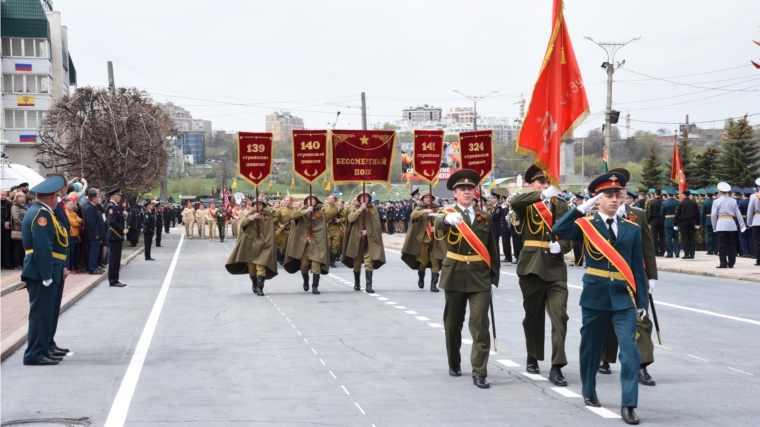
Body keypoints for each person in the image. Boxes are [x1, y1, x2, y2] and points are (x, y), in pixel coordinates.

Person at [552, 171, 648, 425]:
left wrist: (642, 303)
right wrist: (581, 207)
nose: (615, 199)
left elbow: (638, 269)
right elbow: (558, 229)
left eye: (619, 195)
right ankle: (589, 388)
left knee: (629, 352)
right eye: (609, 195)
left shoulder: (631, 229)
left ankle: (628, 404)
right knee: (591, 348)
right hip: (595, 295)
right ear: (599, 198)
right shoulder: (586, 225)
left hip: (624, 297)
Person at [434, 169, 499, 389]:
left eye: (470, 189)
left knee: (480, 325)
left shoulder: (485, 217)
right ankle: (454, 361)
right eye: (462, 189)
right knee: (453, 325)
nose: (467, 192)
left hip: (480, 276)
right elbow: (438, 228)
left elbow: (492, 250)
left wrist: (494, 280)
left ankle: (479, 371)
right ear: (455, 193)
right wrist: (446, 219)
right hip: (454, 274)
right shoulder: (449, 214)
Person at [509, 165, 572, 386]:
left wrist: (563, 247)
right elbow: (513, 203)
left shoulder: (562, 207)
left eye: (549, 183)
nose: (546, 186)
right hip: (531, 268)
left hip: (555, 270)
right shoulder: (527, 204)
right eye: (541, 183)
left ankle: (557, 366)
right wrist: (542, 196)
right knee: (533, 316)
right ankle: (533, 355)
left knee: (560, 317)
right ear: (532, 185)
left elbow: (570, 235)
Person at [599, 169, 659, 388]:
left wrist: (651, 276)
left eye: (622, 191)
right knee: (607, 319)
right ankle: (605, 358)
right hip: (608, 276)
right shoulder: (598, 215)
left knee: (641, 319)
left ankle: (642, 366)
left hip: (634, 276)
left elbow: (647, 246)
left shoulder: (637, 214)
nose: (619, 195)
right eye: (613, 192)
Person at [21, 176, 70, 366]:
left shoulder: (42, 212)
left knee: (45, 313)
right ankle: (34, 354)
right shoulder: (42, 215)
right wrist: (46, 274)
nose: (58, 200)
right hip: (41, 271)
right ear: (52, 197)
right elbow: (42, 247)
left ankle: (42, 349)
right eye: (57, 196)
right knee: (40, 314)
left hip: (46, 269)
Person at [225, 197, 277, 295]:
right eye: (256, 204)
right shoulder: (249, 215)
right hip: (250, 245)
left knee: (261, 267)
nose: (258, 206)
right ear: (253, 205)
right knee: (252, 268)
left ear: (263, 206)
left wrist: (267, 242)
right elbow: (242, 225)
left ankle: (260, 288)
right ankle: (254, 283)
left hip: (263, 245)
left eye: (260, 204)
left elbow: (270, 231)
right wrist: (253, 217)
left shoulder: (268, 216)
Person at [284, 195, 329, 294]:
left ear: (316, 201)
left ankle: (315, 286)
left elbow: (321, 227)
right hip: (304, 243)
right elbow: (294, 216)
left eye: (313, 200)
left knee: (316, 264)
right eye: (309, 200)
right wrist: (306, 211)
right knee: (304, 265)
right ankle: (306, 280)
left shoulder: (320, 212)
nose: (311, 201)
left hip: (316, 241)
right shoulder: (302, 210)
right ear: (306, 202)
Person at [342, 192, 386, 293]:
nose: (364, 198)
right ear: (359, 198)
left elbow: (376, 225)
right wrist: (360, 210)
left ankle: (369, 285)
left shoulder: (373, 208)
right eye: (362, 197)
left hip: (369, 240)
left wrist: (369, 231)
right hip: (357, 239)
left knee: (369, 262)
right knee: (357, 263)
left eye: (366, 197)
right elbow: (350, 219)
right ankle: (357, 282)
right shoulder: (354, 207)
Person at [401, 192, 445, 292]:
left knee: (435, 261)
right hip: (423, 240)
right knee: (423, 262)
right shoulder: (419, 208)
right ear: (423, 199)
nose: (428, 199)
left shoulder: (437, 209)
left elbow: (443, 220)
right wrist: (424, 211)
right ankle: (421, 277)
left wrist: (437, 228)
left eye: (430, 197)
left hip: (436, 240)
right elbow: (413, 215)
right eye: (426, 197)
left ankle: (433, 285)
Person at [712, 182, 746, 268]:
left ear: (719, 191)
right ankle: (731, 263)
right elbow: (738, 214)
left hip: (721, 224)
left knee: (722, 245)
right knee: (731, 244)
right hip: (731, 224)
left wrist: (714, 227)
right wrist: (742, 226)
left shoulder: (716, 201)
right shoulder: (733, 200)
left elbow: (713, 216)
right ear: (727, 192)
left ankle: (723, 263)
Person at [105, 187, 127, 287]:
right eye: (119, 195)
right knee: (114, 259)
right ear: (114, 196)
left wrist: (123, 214)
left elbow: (116, 219)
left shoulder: (115, 206)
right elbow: (112, 221)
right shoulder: (111, 207)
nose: (120, 197)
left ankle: (115, 279)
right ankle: (113, 280)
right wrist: (122, 230)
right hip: (114, 235)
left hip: (116, 236)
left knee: (116, 259)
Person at [82, 190, 105, 275]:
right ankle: (92, 268)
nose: (99, 198)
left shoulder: (92, 207)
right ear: (94, 198)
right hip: (93, 234)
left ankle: (92, 266)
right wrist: (96, 233)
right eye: (98, 197)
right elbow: (92, 222)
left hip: (93, 234)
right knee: (93, 251)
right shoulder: (89, 208)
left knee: (93, 251)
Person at [675, 190, 699, 259]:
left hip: (684, 222)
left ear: (684, 195)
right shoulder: (694, 203)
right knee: (691, 237)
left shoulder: (681, 203)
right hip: (692, 221)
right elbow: (697, 213)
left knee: (685, 237)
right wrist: (697, 223)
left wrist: (675, 223)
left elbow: (677, 214)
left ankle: (686, 254)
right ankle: (692, 254)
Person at [323, 195, 343, 268]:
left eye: (331, 198)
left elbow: (343, 217)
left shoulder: (338, 209)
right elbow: (320, 218)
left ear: (335, 200)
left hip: (335, 228)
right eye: (329, 198)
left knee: (335, 245)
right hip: (327, 229)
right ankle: (327, 261)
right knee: (328, 245)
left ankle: (333, 262)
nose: (330, 199)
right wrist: (324, 223)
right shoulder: (324, 208)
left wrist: (339, 220)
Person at [273, 196, 294, 265]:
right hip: (282, 231)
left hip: (291, 231)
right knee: (282, 246)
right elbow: (276, 219)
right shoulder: (281, 210)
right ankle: (281, 260)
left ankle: (287, 260)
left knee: (290, 246)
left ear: (291, 201)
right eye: (285, 200)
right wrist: (280, 225)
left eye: (287, 200)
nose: (285, 202)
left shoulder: (295, 211)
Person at [11, 191, 28, 269]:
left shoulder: (24, 206)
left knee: (23, 247)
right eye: (20, 197)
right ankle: (17, 264)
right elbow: (16, 219)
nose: (22, 198)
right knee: (18, 247)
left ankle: (22, 263)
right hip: (18, 229)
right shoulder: (15, 207)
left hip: (24, 230)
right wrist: (24, 226)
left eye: (23, 196)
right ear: (16, 198)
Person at [661, 188, 680, 258]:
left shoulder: (664, 203)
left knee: (668, 237)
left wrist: (665, 219)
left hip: (668, 221)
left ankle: (670, 253)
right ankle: (677, 252)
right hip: (676, 221)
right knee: (676, 236)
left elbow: (662, 213)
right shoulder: (677, 202)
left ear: (667, 194)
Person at [64, 198, 82, 272]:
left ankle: (75, 266)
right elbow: (74, 223)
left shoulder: (74, 213)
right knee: (71, 252)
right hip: (71, 235)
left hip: (76, 234)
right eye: (70, 204)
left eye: (72, 204)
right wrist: (78, 220)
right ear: (65, 205)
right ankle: (70, 267)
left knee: (76, 251)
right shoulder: (67, 214)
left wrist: (78, 220)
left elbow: (80, 220)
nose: (72, 206)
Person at [647, 189, 665, 257]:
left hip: (654, 220)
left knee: (655, 237)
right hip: (662, 220)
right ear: (660, 194)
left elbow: (650, 213)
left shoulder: (652, 202)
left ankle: (656, 252)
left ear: (655, 194)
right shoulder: (664, 202)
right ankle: (662, 251)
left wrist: (648, 221)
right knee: (662, 236)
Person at [747, 179, 760, 266]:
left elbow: (750, 210)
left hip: (757, 220)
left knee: (757, 241)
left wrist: (749, 222)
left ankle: (759, 259)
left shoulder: (753, 196)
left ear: (758, 187)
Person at [701, 188, 717, 255]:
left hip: (707, 220)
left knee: (709, 235)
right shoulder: (716, 201)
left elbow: (702, 213)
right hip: (715, 220)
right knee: (715, 236)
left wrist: (702, 222)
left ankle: (710, 250)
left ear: (707, 194)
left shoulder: (705, 202)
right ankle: (716, 250)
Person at [1, 190, 13, 269]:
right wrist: (3, 223)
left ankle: (7, 263)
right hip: (1, 225)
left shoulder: (8, 204)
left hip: (6, 227)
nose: (3, 196)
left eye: (4, 195)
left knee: (6, 246)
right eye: (1, 195)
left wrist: (8, 222)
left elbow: (10, 215)